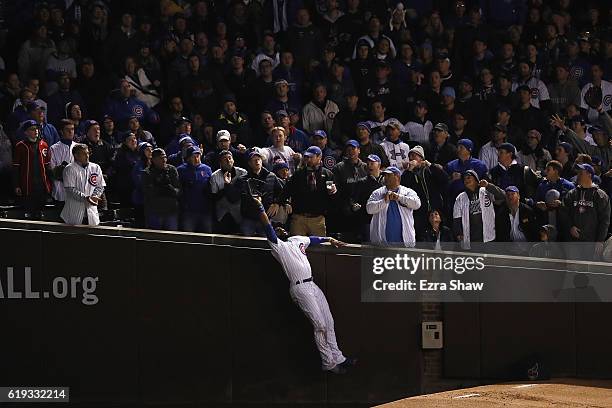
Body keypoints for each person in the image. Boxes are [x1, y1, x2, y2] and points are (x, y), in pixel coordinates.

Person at [255, 200, 356, 374]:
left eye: (281, 227)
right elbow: (268, 229)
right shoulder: (279, 247)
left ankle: (338, 357)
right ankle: (328, 362)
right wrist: (260, 207)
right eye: (277, 228)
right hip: (299, 288)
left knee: (329, 322)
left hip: (311, 284)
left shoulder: (296, 239)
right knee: (320, 325)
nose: (280, 229)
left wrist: (329, 238)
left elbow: (313, 239)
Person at [282, 145, 337, 236]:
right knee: (296, 246)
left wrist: (333, 192)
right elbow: (287, 190)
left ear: (319, 157)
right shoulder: (299, 173)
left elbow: (332, 196)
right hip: (299, 218)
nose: (308, 159)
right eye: (306, 157)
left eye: (311, 157)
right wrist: (278, 202)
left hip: (317, 219)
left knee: (319, 248)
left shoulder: (327, 174)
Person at [561, 163, 611, 260]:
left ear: (589, 175)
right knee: (574, 270)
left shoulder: (600, 195)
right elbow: (563, 213)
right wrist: (570, 226)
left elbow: (605, 220)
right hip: (573, 242)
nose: (578, 175)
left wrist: (600, 241)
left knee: (589, 271)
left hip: (591, 243)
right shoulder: (571, 194)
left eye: (581, 173)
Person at [366, 166, 421, 247]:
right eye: (385, 176)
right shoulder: (377, 193)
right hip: (381, 243)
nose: (385, 178)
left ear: (397, 176)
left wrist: (399, 197)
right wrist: (384, 201)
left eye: (388, 175)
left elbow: (417, 204)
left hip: (404, 242)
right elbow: (369, 209)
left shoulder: (408, 192)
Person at [400, 145, 448, 236]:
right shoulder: (408, 173)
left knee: (439, 235)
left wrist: (430, 165)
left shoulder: (430, 170)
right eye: (410, 156)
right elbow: (403, 188)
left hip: (435, 209)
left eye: (414, 156)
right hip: (419, 213)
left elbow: (445, 179)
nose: (411, 158)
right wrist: (409, 170)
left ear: (421, 158)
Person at [236, 150, 284, 236]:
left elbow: (282, 192)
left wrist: (277, 203)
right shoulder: (242, 179)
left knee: (266, 243)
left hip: (265, 218)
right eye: (254, 160)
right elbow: (233, 197)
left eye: (258, 159)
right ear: (249, 163)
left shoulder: (271, 176)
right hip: (248, 217)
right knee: (246, 243)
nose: (257, 161)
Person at [453, 171, 505, 250]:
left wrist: (488, 185)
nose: (466, 180)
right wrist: (459, 233)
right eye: (464, 179)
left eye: (469, 177)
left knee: (488, 261)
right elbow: (457, 217)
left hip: (488, 236)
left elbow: (503, 196)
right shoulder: (460, 197)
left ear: (476, 179)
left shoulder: (486, 191)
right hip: (471, 238)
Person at [12, 120, 52, 219]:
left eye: (37, 129)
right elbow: (16, 168)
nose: (36, 131)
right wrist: (16, 185)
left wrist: (49, 184)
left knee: (41, 212)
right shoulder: (20, 146)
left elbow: (47, 166)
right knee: (29, 212)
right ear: (26, 132)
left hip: (41, 185)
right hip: (27, 185)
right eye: (32, 129)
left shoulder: (44, 145)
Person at [60, 143, 106, 226]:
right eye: (84, 154)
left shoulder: (95, 167)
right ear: (76, 156)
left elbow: (100, 186)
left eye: (87, 153)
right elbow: (70, 190)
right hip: (74, 213)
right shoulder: (69, 168)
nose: (87, 156)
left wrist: (95, 196)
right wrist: (86, 198)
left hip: (91, 213)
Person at [210, 150, 247, 234]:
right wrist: (227, 187)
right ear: (220, 163)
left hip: (238, 212)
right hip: (222, 212)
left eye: (230, 158)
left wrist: (228, 186)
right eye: (224, 159)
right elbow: (214, 197)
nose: (228, 161)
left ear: (233, 160)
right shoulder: (214, 176)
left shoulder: (243, 173)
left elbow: (238, 195)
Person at [177, 146, 213, 233]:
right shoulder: (181, 170)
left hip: (204, 210)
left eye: (198, 155)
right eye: (194, 156)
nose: (196, 158)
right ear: (188, 157)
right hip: (189, 211)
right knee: (188, 237)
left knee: (207, 236)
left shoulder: (207, 169)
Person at [143, 148, 181, 230]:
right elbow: (149, 192)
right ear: (153, 160)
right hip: (155, 211)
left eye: (165, 157)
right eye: (160, 158)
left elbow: (178, 191)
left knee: (171, 238)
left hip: (171, 211)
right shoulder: (147, 172)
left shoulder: (172, 170)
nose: (164, 160)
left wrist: (168, 188)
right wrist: (162, 188)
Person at [495, 186, 538, 255]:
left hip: (528, 249)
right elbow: (501, 234)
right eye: (508, 195)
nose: (510, 197)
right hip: (510, 249)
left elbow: (534, 231)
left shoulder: (527, 211)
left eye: (512, 194)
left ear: (518, 196)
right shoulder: (501, 213)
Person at [354, 154, 384, 242]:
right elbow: (355, 199)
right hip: (367, 220)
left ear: (378, 165)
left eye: (372, 163)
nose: (369, 165)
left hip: (383, 218)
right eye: (368, 163)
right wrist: (354, 206)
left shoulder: (386, 180)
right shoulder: (361, 182)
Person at [49, 119, 77, 204]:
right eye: (67, 129)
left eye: (72, 129)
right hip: (60, 192)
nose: (70, 132)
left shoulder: (79, 147)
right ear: (61, 131)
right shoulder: (54, 148)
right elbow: (53, 171)